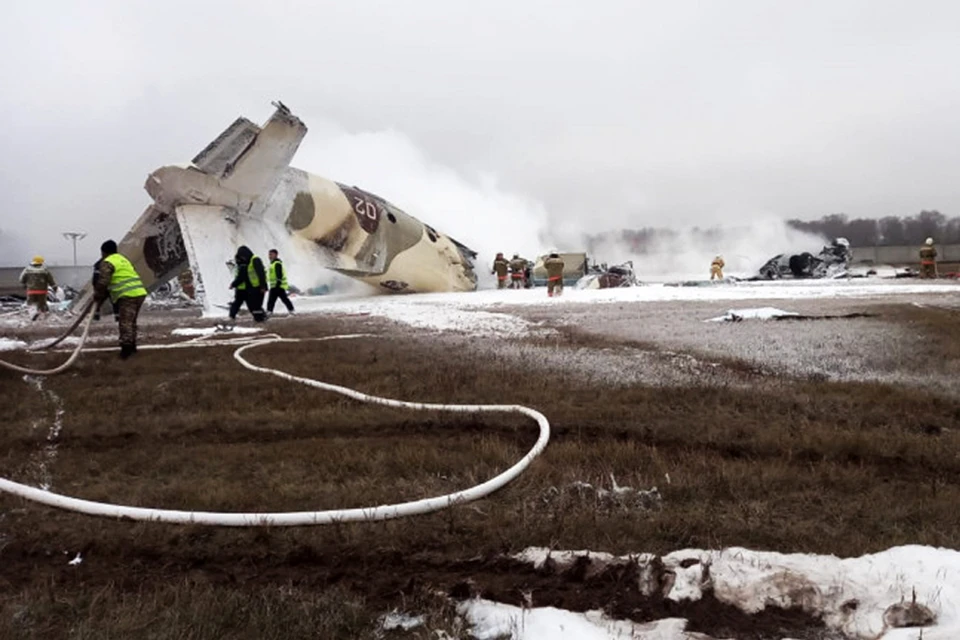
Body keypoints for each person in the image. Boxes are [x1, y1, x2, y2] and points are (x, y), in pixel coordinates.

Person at [92, 240, 148, 359]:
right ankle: (132, 346)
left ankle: (126, 349)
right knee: (131, 322)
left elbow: (103, 282)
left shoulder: (107, 262)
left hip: (127, 294)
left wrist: (98, 295)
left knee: (125, 322)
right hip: (139, 292)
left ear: (104, 252)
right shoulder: (123, 260)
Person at [229, 245, 267, 322]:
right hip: (251, 287)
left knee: (254, 305)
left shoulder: (255, 260)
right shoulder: (247, 262)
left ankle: (260, 319)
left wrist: (263, 286)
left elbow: (261, 273)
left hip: (257, 287)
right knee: (253, 305)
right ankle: (260, 318)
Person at [19, 256, 56, 320]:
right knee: (42, 304)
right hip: (42, 291)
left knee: (31, 303)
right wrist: (54, 287)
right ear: (41, 262)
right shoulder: (45, 270)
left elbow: (21, 279)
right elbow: (51, 280)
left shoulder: (27, 269)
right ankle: (42, 317)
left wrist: (25, 284)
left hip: (31, 291)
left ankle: (33, 313)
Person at [266, 249, 295, 315]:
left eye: (271, 254)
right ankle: (291, 310)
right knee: (282, 299)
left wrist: (277, 284)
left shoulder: (277, 264)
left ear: (276, 255)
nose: (269, 256)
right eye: (269, 254)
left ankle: (269, 312)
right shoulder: (273, 264)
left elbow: (279, 275)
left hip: (278, 286)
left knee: (273, 300)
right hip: (276, 286)